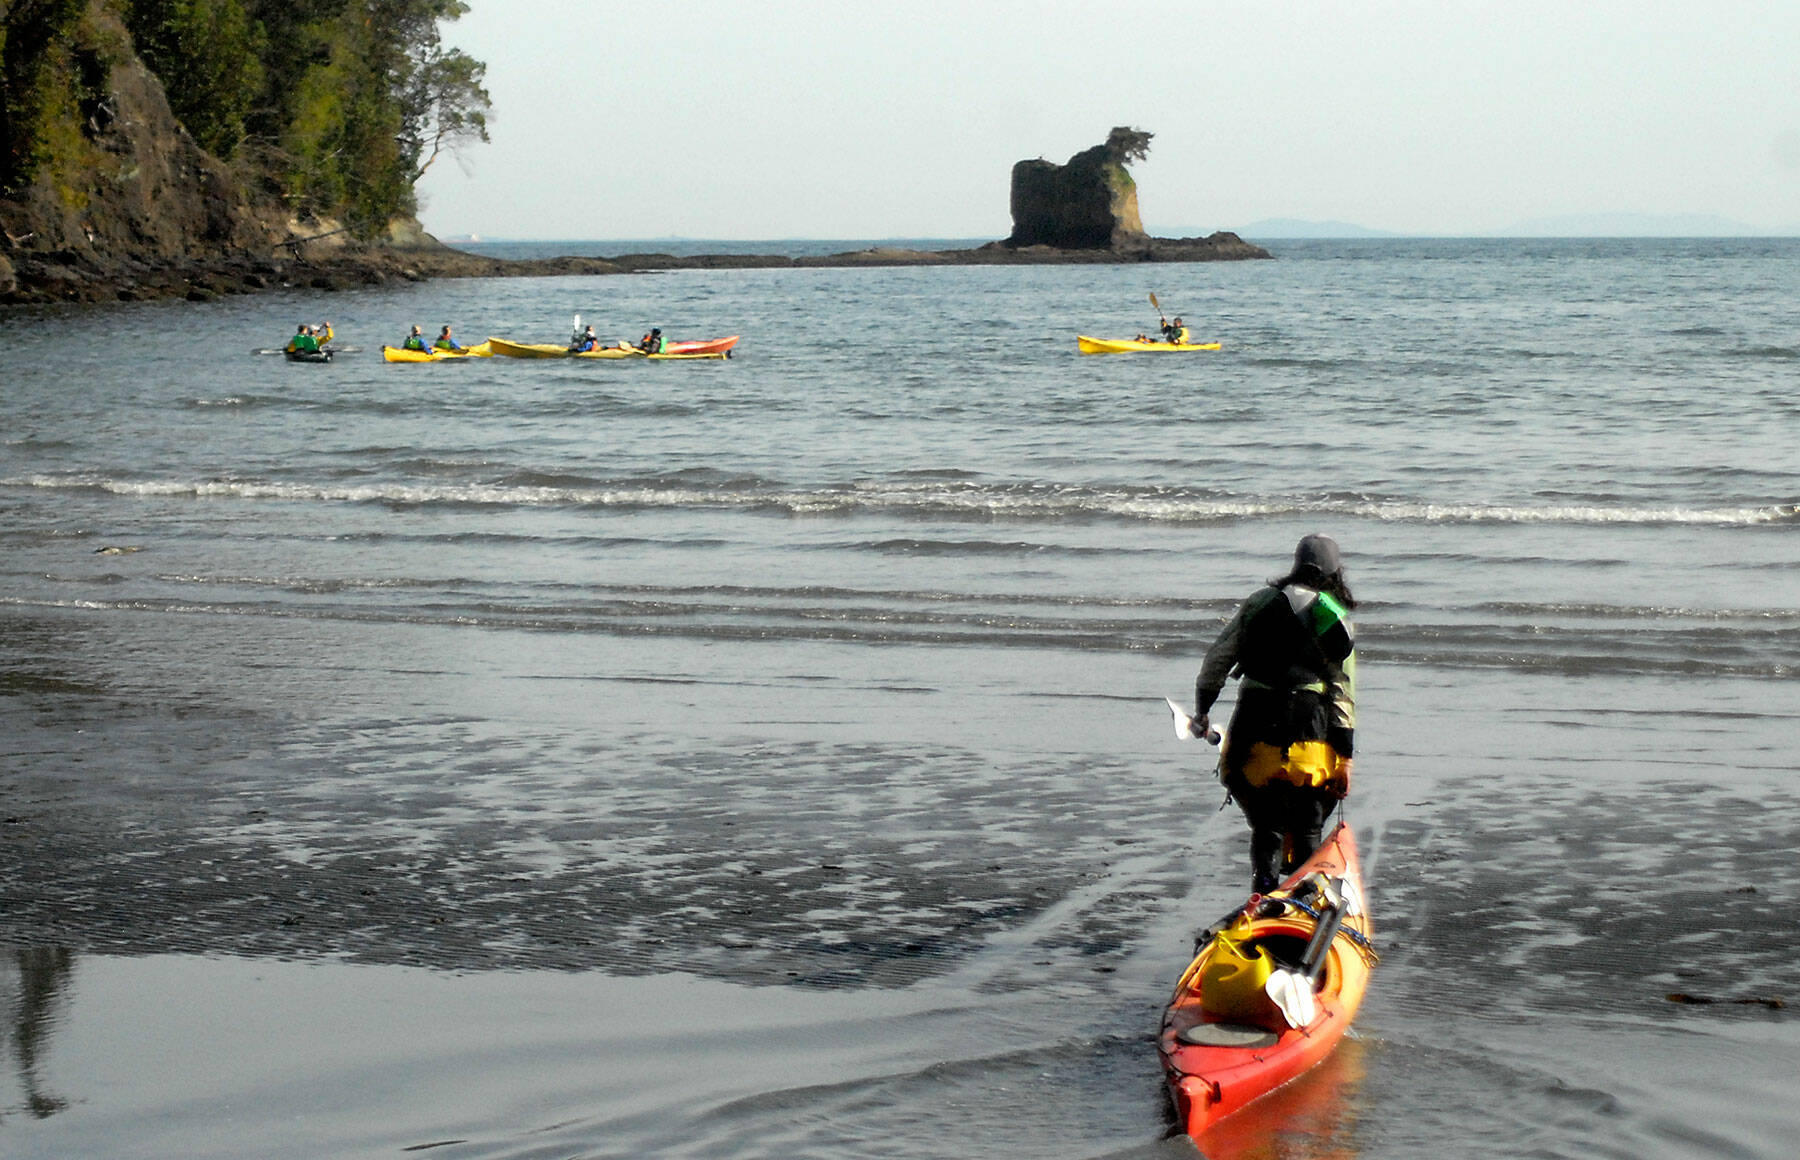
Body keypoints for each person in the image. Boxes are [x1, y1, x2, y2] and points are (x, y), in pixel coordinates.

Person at [1195, 534, 1356, 894]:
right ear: (1334, 573)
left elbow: (1216, 662)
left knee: (1266, 826)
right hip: (1308, 734)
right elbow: (1343, 691)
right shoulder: (1333, 617)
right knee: (1308, 825)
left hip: (1254, 730)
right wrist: (1344, 758)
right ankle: (1304, 897)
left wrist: (1203, 710)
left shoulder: (1259, 604)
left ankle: (1263, 892)